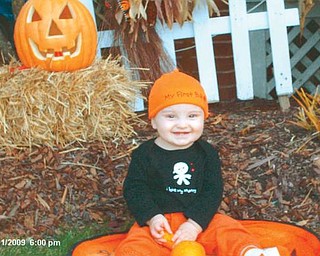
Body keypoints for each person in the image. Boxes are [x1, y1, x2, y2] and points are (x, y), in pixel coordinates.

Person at [115, 70, 289, 256]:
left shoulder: (206, 153)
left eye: (192, 116)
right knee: (136, 244)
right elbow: (135, 189)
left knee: (227, 229)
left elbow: (212, 190)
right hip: (159, 226)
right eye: (171, 116)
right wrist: (152, 217)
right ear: (153, 121)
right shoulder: (144, 154)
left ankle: (249, 252)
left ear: (203, 118)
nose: (182, 124)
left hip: (200, 222)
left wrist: (194, 224)